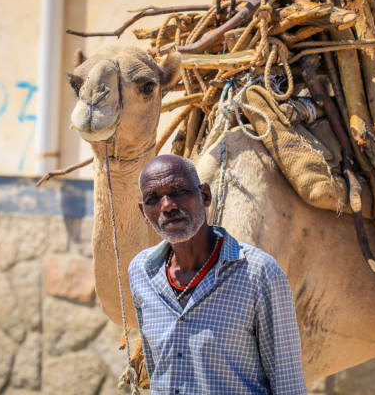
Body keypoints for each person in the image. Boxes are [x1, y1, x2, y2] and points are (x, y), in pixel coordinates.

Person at [129, 154, 307, 394]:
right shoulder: (141, 272)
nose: (167, 205)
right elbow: (156, 373)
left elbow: (288, 384)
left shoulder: (259, 273)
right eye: (153, 198)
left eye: (178, 190)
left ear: (204, 195)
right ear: (143, 213)